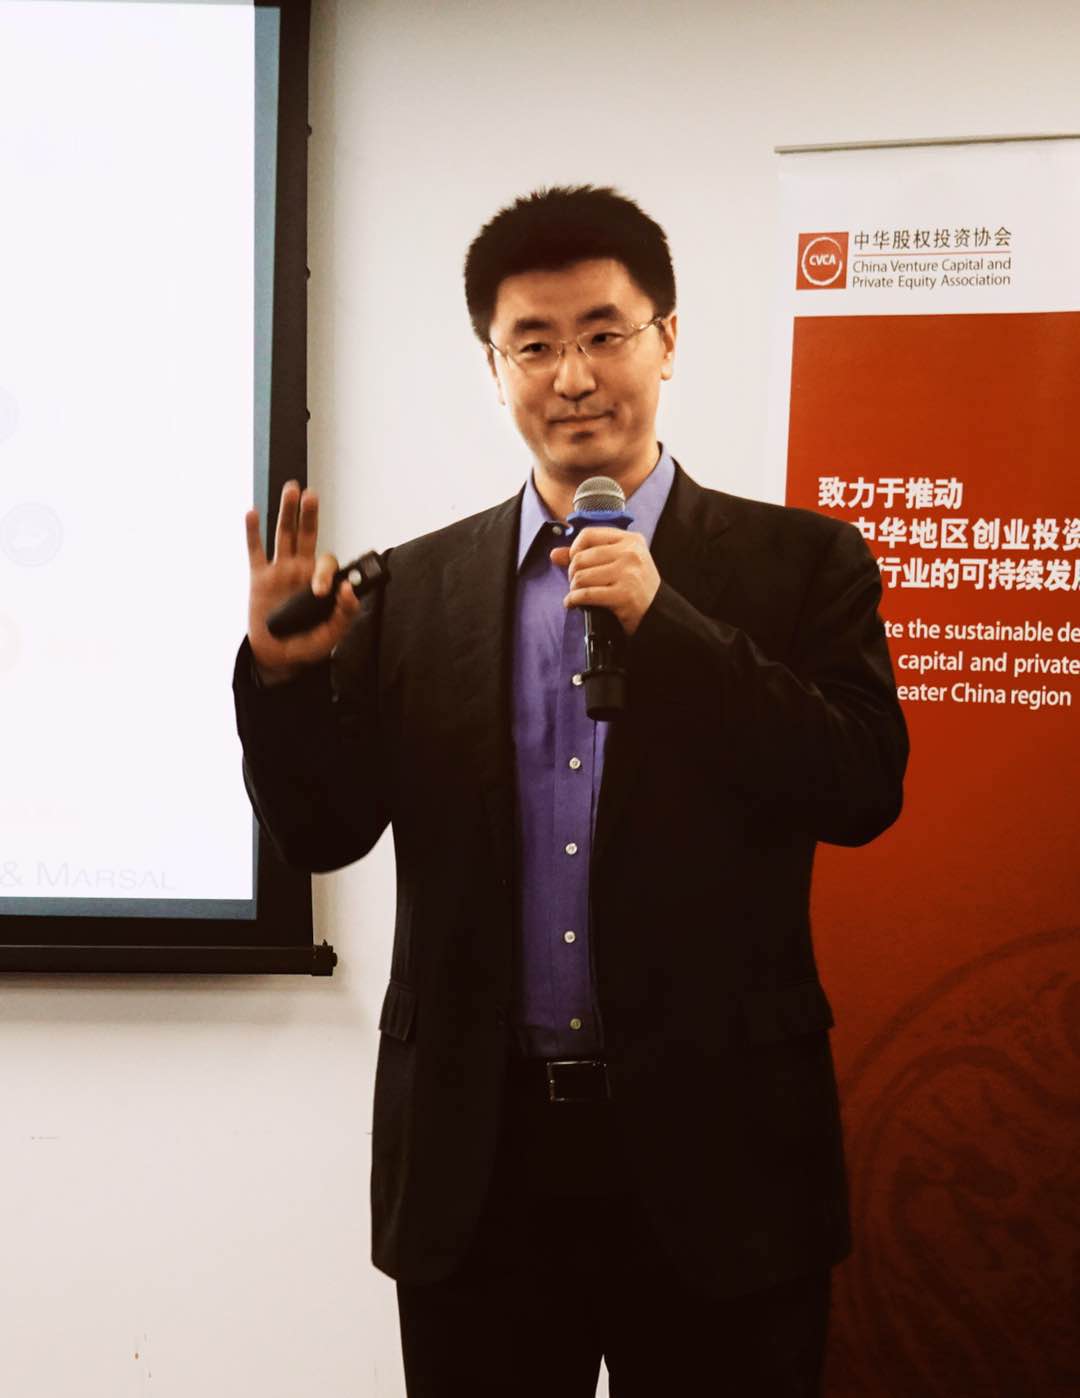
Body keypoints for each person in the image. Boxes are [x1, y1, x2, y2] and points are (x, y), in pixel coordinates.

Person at [233, 185, 908, 1396]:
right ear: (494, 369)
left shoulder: (801, 564)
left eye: (605, 333)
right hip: (482, 1169)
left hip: (720, 1162)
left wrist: (667, 623)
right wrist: (285, 681)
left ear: (668, 338)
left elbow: (860, 785)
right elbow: (322, 831)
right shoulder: (413, 592)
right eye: (534, 345)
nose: (575, 376)